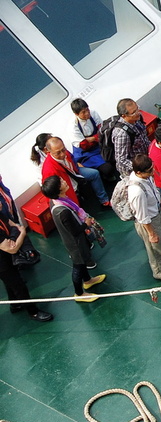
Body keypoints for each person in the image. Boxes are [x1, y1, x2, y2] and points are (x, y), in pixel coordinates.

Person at [41, 176, 105, 302]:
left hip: (76, 241)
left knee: (82, 263)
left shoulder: (57, 200)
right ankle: (79, 293)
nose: (65, 181)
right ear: (58, 190)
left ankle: (88, 281)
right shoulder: (62, 211)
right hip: (75, 244)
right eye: (62, 182)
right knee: (78, 266)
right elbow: (75, 230)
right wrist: (86, 223)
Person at [0, 176, 52, 322]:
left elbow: (11, 223)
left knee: (10, 281)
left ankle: (15, 305)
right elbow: (13, 249)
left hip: (5, 256)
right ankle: (33, 312)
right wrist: (22, 233)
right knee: (18, 285)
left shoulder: (0, 213)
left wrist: (15, 232)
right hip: (2, 261)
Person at [126, 154, 161, 282]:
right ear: (139, 172)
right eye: (149, 171)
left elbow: (151, 188)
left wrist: (158, 200)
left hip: (155, 213)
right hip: (148, 222)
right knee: (155, 248)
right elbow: (142, 217)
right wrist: (151, 234)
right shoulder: (136, 191)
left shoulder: (145, 177)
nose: (153, 172)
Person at [41, 136, 109, 208]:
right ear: (48, 152)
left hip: (75, 174)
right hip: (68, 187)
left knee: (94, 174)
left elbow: (72, 159)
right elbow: (49, 192)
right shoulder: (49, 170)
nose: (62, 154)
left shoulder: (65, 152)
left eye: (63, 150)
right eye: (57, 153)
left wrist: (77, 166)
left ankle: (104, 200)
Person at [68, 98, 116, 183]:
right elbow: (84, 145)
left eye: (87, 110)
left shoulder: (93, 114)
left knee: (115, 156)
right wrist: (96, 137)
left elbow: (102, 132)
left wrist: (91, 139)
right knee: (107, 168)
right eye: (83, 112)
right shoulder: (73, 126)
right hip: (86, 153)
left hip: (99, 145)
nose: (87, 113)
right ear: (76, 114)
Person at [112, 98, 150, 179]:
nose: (138, 113)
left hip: (146, 159)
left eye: (137, 109)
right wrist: (140, 168)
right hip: (136, 171)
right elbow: (121, 160)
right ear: (124, 116)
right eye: (133, 113)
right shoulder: (122, 134)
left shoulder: (137, 119)